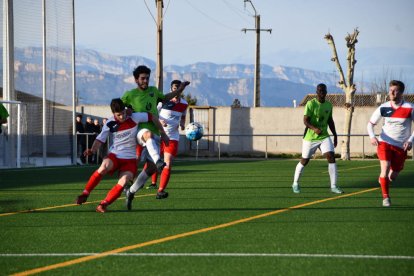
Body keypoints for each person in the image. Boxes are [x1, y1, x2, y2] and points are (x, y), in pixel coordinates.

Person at [75, 98, 168, 213]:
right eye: (119, 115)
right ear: (114, 114)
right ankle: (85, 193)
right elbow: (100, 139)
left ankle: (103, 205)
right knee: (104, 166)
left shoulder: (134, 117)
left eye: (123, 113)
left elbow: (152, 116)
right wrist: (92, 150)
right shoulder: (109, 123)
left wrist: (162, 132)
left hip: (130, 160)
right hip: (115, 155)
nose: (122, 117)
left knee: (124, 181)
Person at [121, 65, 190, 204]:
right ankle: (158, 161)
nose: (145, 81)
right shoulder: (130, 94)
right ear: (136, 80)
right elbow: (118, 108)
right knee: (145, 140)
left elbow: (166, 98)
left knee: (150, 168)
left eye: (147, 78)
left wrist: (181, 89)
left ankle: (131, 191)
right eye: (142, 78)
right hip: (139, 131)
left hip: (155, 131)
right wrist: (124, 114)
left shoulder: (153, 91)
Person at [367, 80, 414, 207]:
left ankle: (384, 180)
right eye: (390, 90)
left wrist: (410, 140)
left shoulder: (410, 108)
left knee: (392, 176)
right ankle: (386, 198)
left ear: (402, 92)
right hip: (384, 143)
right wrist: (372, 137)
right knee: (385, 167)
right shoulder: (383, 107)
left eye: (395, 90)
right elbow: (370, 124)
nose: (392, 93)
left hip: (401, 146)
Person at [292, 83, 343, 194]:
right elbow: (305, 121)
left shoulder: (329, 105)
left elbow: (330, 121)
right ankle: (295, 183)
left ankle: (333, 186)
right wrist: (314, 129)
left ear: (326, 92)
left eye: (323, 91)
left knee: (331, 157)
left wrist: (335, 135)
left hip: (324, 136)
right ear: (316, 92)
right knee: (304, 161)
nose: (321, 93)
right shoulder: (310, 104)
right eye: (319, 91)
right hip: (310, 138)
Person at [144, 80, 188, 199]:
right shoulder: (163, 101)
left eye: (179, 88)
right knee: (152, 162)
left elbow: (183, 115)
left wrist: (183, 124)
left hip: (172, 137)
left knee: (167, 163)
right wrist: (159, 121)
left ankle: (160, 190)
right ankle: (142, 182)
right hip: (158, 135)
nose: (177, 91)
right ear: (171, 89)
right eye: (175, 88)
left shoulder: (184, 103)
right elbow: (153, 114)